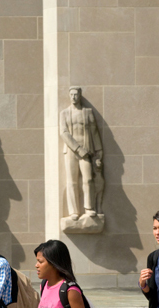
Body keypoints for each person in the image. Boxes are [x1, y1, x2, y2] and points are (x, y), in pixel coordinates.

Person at [60, 86, 103, 220]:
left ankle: (89, 208)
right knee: (72, 181)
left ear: (80, 95)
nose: (73, 97)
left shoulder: (87, 112)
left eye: (76, 94)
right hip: (72, 151)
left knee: (88, 179)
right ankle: (74, 211)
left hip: (87, 151)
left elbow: (94, 132)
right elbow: (63, 132)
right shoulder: (64, 113)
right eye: (71, 95)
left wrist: (98, 151)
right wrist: (78, 149)